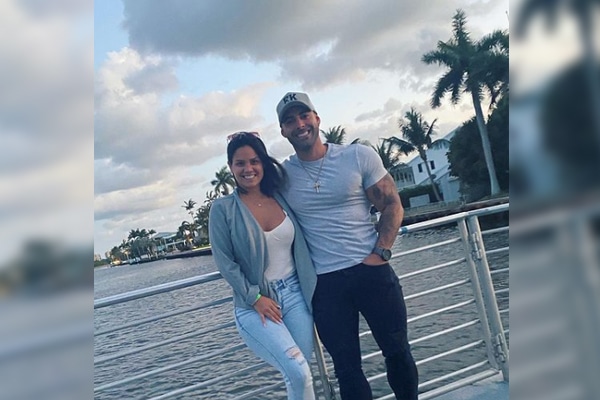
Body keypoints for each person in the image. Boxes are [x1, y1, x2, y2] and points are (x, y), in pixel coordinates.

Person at [276, 92, 419, 400]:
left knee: (397, 351)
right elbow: (250, 184)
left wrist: (382, 252)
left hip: (372, 271)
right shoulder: (283, 176)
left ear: (317, 118)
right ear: (283, 131)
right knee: (347, 369)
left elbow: (392, 204)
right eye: (290, 120)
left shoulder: (357, 156)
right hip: (325, 285)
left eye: (304, 115)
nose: (299, 124)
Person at [208, 131, 318, 400]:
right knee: (298, 371)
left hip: (296, 295)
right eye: (240, 163)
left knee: (300, 373)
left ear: (263, 163)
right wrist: (255, 297)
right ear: (231, 167)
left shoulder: (281, 197)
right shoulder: (223, 209)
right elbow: (225, 262)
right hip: (254, 304)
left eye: (254, 161)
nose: (248, 169)